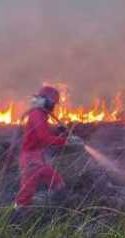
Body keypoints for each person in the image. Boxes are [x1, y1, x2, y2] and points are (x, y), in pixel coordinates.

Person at [13, 86, 83, 218]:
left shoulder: (41, 114)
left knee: (57, 182)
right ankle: (16, 219)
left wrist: (59, 131)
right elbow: (44, 137)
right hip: (30, 159)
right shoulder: (37, 114)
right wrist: (66, 141)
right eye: (53, 103)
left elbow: (43, 132)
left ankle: (59, 211)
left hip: (36, 157)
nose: (53, 107)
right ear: (46, 101)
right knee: (27, 191)